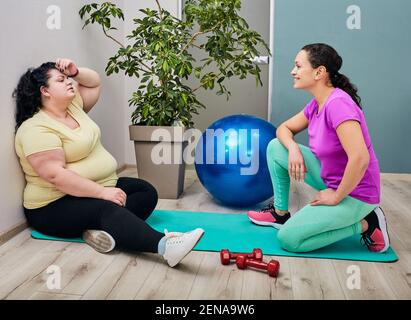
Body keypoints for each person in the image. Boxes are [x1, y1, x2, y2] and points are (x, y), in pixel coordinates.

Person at [14, 58, 204, 267]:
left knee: (145, 191)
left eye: (68, 78)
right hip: (53, 205)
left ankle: (101, 231)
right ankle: (166, 247)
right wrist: (102, 193)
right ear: (45, 91)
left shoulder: (74, 107)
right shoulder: (36, 129)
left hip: (93, 188)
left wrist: (75, 71)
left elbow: (93, 82)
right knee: (107, 208)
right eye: (61, 80)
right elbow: (56, 176)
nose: (69, 82)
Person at [247, 43, 390, 253]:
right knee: (277, 147)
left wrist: (336, 196)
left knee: (289, 239)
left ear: (319, 72)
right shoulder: (317, 103)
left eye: (298, 66)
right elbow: (284, 129)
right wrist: (293, 148)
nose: (292, 72)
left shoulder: (338, 104)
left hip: (356, 193)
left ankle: (367, 223)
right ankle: (280, 213)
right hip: (331, 179)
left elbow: (360, 158)